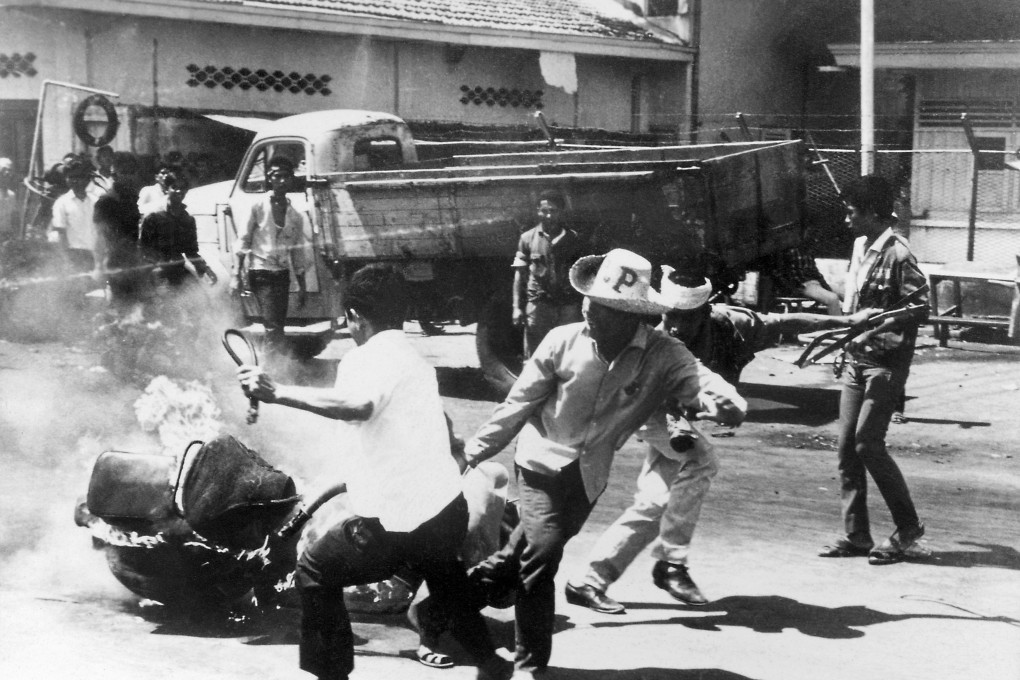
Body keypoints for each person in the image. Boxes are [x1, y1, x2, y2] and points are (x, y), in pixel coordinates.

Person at [464, 248, 746, 676]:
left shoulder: (663, 353)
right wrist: (473, 453)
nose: (588, 310)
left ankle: (443, 606)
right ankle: (530, 666)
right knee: (543, 554)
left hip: (588, 478)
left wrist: (725, 403)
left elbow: (700, 383)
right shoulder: (561, 341)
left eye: (604, 307)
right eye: (590, 300)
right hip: (539, 464)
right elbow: (517, 405)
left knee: (517, 557)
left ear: (632, 317)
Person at [236, 263, 512, 680]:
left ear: (355, 317)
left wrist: (276, 392)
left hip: (399, 523)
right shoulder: (416, 361)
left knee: (314, 567)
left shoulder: (365, 357)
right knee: (446, 579)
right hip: (445, 509)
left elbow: (359, 405)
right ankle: (490, 664)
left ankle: (332, 674)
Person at [565, 263, 881, 614]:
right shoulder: (651, 339)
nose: (676, 325)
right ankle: (672, 563)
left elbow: (785, 323)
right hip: (648, 409)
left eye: (687, 318)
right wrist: (678, 422)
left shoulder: (731, 324)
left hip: (683, 416)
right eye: (670, 315)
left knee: (656, 503)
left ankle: (590, 581)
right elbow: (642, 397)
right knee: (702, 460)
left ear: (705, 313)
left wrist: (846, 321)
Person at [819, 174, 928, 566]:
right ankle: (857, 536)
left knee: (868, 443)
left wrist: (874, 327)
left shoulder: (899, 254)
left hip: (886, 363)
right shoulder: (860, 246)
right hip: (856, 360)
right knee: (847, 448)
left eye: (852, 212)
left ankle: (908, 529)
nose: (847, 219)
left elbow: (920, 308)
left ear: (873, 213)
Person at [231, 155, 307, 357]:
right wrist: (235, 275)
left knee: (277, 325)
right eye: (277, 176)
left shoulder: (295, 215)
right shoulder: (257, 206)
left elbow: (297, 251)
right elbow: (243, 240)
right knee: (273, 325)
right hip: (261, 272)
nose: (282, 181)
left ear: (291, 179)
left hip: (282, 274)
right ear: (269, 178)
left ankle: (270, 363)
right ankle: (272, 366)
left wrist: (302, 286)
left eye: (286, 176)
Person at [512, 189, 585, 357]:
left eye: (553, 211)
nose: (549, 216)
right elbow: (519, 275)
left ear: (561, 212)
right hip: (539, 306)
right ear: (537, 211)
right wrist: (516, 307)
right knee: (536, 355)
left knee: (567, 354)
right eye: (544, 211)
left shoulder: (573, 239)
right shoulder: (527, 238)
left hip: (567, 306)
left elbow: (582, 275)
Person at [137, 171, 217, 290]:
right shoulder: (153, 216)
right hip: (157, 273)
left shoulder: (187, 219)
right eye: (174, 187)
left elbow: (191, 251)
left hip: (177, 270)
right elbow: (143, 248)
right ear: (167, 189)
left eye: (183, 188)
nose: (179, 191)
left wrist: (205, 268)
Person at [94, 152, 144, 306]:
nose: (129, 176)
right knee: (117, 307)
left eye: (132, 172)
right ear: (114, 175)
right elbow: (99, 237)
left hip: (133, 262)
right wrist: (99, 267)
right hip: (114, 264)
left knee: (135, 308)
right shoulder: (106, 202)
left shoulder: (131, 199)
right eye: (125, 172)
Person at [49, 155, 103, 278]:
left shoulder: (96, 201)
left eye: (79, 177)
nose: (75, 181)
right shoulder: (61, 203)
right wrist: (65, 260)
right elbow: (60, 234)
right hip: (75, 256)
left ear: (87, 179)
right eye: (71, 177)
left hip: (96, 255)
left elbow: (101, 231)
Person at [0, 157, 19, 241]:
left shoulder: (11, 195)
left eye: (9, 170)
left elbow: (14, 217)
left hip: (6, 236)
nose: (7, 173)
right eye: (3, 169)